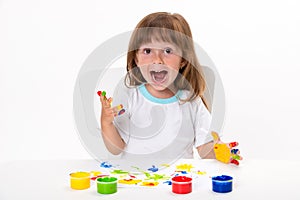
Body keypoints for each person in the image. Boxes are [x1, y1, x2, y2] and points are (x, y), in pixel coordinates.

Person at [99, 12, 229, 162]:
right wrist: (106, 123)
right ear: (136, 58)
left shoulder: (191, 101)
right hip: (137, 181)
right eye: (147, 51)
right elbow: (115, 149)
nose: (157, 60)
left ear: (183, 60)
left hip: (178, 182)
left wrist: (221, 151)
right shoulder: (129, 96)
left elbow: (204, 149)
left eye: (167, 51)